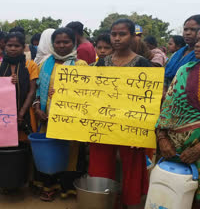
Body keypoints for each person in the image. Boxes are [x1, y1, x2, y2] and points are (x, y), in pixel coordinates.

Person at [91, 19, 151, 209]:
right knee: (102, 164)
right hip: (103, 124)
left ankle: (129, 202)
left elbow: (149, 99)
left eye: (122, 34)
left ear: (133, 36)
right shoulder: (102, 63)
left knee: (131, 167)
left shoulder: (144, 64)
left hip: (130, 126)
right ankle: (106, 201)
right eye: (114, 34)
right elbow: (89, 93)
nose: (117, 38)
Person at [34, 27, 87, 201]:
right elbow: (37, 91)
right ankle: (49, 186)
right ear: (52, 44)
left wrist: (67, 92)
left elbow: (88, 93)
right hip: (46, 117)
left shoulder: (81, 65)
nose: (62, 45)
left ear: (74, 43)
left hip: (70, 118)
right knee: (50, 151)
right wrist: (37, 108)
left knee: (70, 152)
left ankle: (67, 188)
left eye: (66, 42)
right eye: (58, 42)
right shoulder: (44, 64)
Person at [156, 29, 200, 209]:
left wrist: (198, 149)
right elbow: (167, 107)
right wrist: (162, 138)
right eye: (198, 40)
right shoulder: (185, 70)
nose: (197, 44)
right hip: (174, 154)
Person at [0, 31, 38, 143]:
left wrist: (21, 114)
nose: (13, 48)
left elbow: (32, 91)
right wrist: (6, 82)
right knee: (6, 143)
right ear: (4, 46)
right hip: (3, 114)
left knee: (26, 143)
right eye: (9, 45)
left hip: (26, 112)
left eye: (17, 46)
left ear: (23, 47)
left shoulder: (30, 65)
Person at [164, 15, 200, 91]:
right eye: (185, 29)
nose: (188, 33)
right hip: (168, 97)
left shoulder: (198, 56)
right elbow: (166, 75)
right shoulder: (177, 54)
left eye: (193, 30)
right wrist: (164, 91)